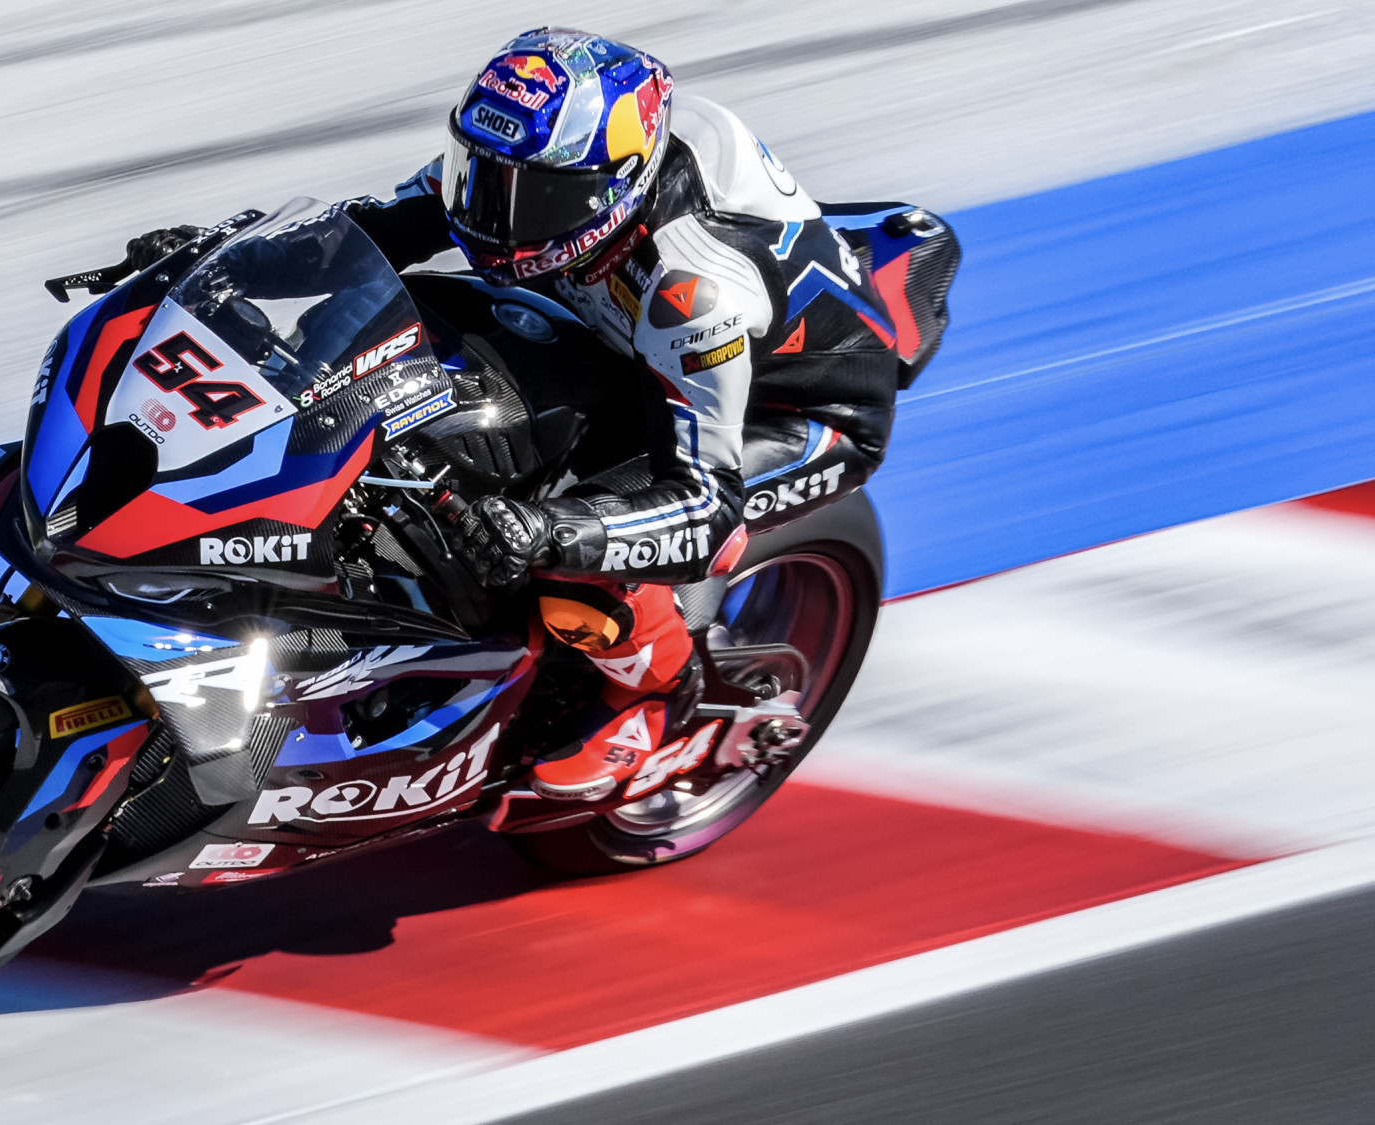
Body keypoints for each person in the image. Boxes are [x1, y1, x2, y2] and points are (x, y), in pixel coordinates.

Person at [126, 29, 925, 802]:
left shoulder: (692, 291)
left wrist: (550, 529)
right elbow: (370, 234)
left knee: (575, 550)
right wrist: (221, 260)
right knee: (389, 338)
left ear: (612, 189)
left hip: (785, 412)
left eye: (533, 197)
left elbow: (704, 506)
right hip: (626, 342)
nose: (494, 211)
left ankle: (651, 702)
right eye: (481, 175)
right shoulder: (528, 170)